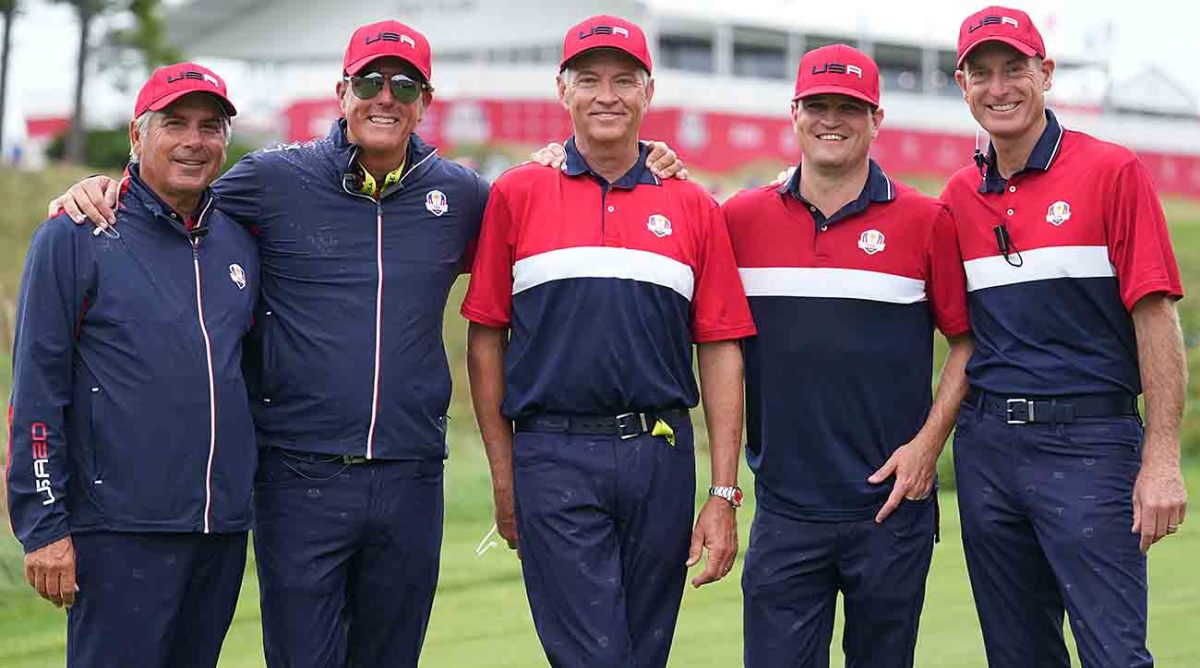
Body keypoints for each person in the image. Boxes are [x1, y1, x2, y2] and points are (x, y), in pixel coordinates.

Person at [47, 19, 684, 667]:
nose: (386, 96)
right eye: (369, 82)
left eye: (404, 84)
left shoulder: (461, 194)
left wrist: (636, 156)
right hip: (299, 475)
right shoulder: (272, 180)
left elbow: (549, 212)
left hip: (410, 476)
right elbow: (175, 193)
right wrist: (107, 185)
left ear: (425, 103)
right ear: (341, 92)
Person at [461, 14, 756, 667]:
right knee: (595, 655)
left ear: (649, 92)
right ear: (561, 89)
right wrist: (506, 477)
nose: (607, 95)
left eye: (624, 80)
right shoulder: (517, 193)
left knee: (642, 653)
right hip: (553, 453)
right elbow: (486, 339)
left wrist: (724, 492)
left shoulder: (692, 205)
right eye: (588, 79)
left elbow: (720, 346)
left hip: (661, 455)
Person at [942, 7, 1188, 666]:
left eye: (1014, 69)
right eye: (982, 73)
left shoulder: (1113, 171)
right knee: (1017, 656)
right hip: (988, 449)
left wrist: (1162, 457)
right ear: (961, 84)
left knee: (1113, 654)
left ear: (1045, 73)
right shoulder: (958, 196)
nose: (999, 88)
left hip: (1091, 445)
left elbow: (1155, 315)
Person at [722, 45, 972, 667]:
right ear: (795, 113)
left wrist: (928, 447)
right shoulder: (739, 219)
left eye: (850, 109)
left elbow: (968, 342)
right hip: (785, 510)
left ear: (876, 118)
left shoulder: (925, 219)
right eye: (819, 106)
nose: (833, 120)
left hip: (890, 510)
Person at [8, 62, 256, 667]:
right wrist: (43, 525)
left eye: (210, 126)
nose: (195, 141)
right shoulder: (74, 236)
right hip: (117, 533)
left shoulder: (240, 242)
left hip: (219, 532)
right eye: (175, 123)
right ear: (137, 136)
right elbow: (37, 391)